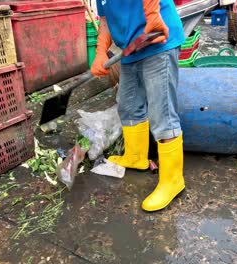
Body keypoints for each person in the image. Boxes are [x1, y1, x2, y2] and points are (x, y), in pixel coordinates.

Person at [91, 0, 185, 211]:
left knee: (162, 113)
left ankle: (173, 180)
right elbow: (105, 20)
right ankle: (136, 157)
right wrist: (100, 51)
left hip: (158, 39)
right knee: (128, 106)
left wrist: (152, 13)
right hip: (131, 50)